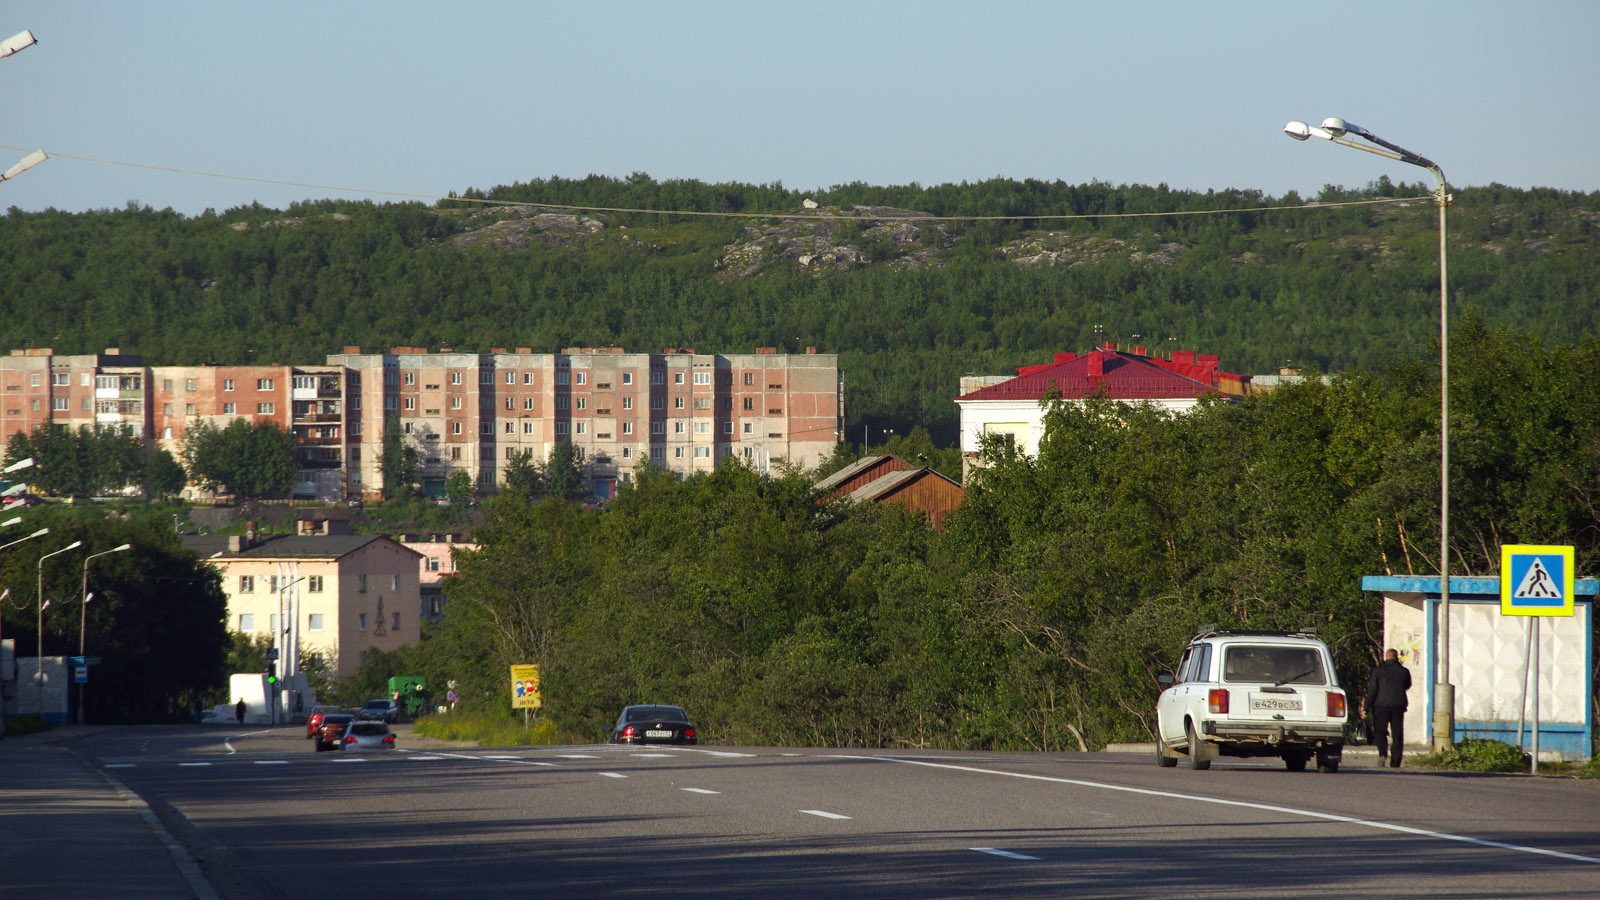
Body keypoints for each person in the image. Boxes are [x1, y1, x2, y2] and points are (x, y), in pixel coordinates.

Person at [1364, 649, 1412, 767]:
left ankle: (1383, 754)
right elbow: (1407, 685)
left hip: (1381, 706)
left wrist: (1366, 707)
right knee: (1397, 735)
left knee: (1380, 732)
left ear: (1386, 657)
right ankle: (1395, 762)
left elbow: (1372, 690)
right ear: (1396, 657)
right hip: (1398, 706)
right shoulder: (1404, 671)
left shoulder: (1379, 670)